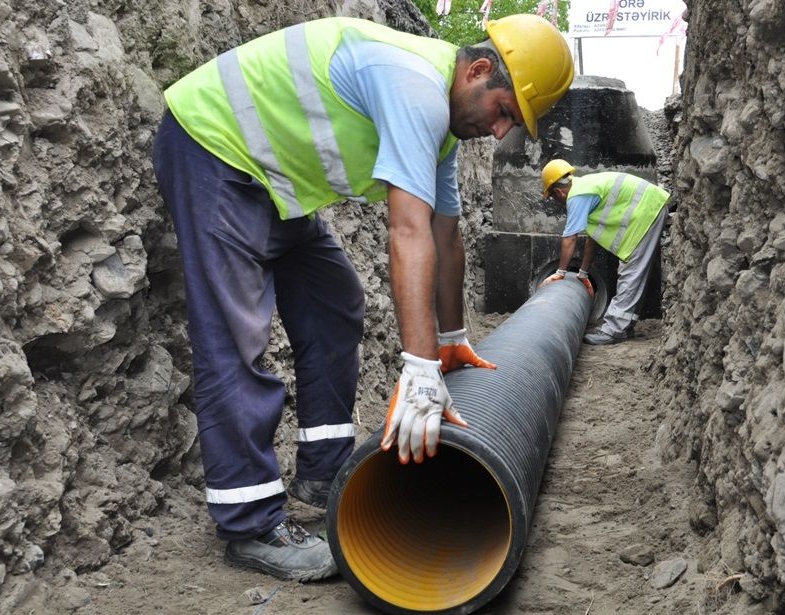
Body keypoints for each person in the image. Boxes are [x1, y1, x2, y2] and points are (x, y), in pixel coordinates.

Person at [151, 15, 573, 581]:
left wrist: (450, 342)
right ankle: (249, 522)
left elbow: (446, 234)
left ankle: (323, 472)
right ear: (476, 70)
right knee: (234, 336)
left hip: (276, 182)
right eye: (503, 112)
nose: (500, 132)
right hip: (214, 151)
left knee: (335, 302)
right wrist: (419, 370)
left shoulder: (442, 127)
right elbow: (408, 231)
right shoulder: (413, 85)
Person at [539, 160, 670, 345]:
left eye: (552, 196)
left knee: (631, 272)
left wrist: (560, 273)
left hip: (647, 212)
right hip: (647, 210)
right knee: (633, 272)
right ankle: (625, 326)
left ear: (559, 192)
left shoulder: (577, 196)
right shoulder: (585, 187)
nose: (556, 200)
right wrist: (583, 273)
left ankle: (614, 330)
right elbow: (593, 240)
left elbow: (570, 238)